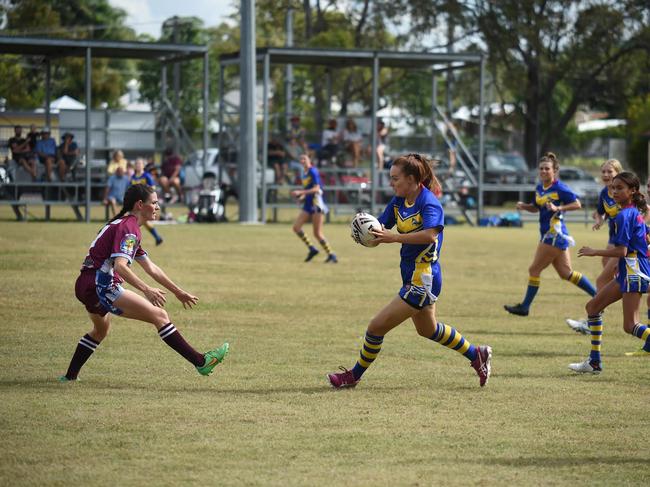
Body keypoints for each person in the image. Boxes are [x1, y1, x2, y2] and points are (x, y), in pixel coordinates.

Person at [327, 153, 491, 389]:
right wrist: (364, 230)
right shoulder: (398, 201)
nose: (391, 183)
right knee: (428, 329)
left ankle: (352, 376)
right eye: (390, 178)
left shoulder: (429, 202)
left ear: (412, 179)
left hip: (423, 279)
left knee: (376, 327)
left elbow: (430, 234)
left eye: (395, 178)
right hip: (411, 275)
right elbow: (381, 227)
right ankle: (477, 354)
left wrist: (394, 238)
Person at [59, 184, 229, 382]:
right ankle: (201, 362)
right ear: (140, 205)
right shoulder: (129, 229)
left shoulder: (124, 225)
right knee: (160, 315)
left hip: (85, 284)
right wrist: (146, 289)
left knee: (100, 330)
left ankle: (69, 377)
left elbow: (151, 267)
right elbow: (121, 266)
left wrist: (178, 292)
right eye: (154, 203)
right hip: (100, 285)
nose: (157, 207)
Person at [569, 172, 650, 374]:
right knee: (592, 307)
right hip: (628, 269)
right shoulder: (631, 212)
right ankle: (594, 362)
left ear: (632, 191)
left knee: (630, 325)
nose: (614, 191)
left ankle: (594, 362)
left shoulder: (624, 215)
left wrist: (594, 251)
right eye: (613, 187)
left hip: (633, 271)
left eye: (620, 188)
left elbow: (621, 251)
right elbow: (643, 239)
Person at [504, 152, 596, 317]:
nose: (544, 171)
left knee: (534, 269)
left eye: (547, 168)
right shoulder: (540, 188)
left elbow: (577, 204)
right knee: (566, 273)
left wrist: (558, 208)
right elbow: (536, 207)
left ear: (554, 171)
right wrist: (524, 206)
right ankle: (598, 296)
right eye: (541, 169)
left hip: (553, 235)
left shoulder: (560, 188)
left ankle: (524, 307)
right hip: (553, 235)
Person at [566, 159, 624, 334]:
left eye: (610, 172)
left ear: (618, 173)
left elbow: (643, 210)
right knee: (611, 278)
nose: (606, 175)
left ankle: (592, 322)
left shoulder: (624, 192)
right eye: (604, 172)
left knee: (602, 281)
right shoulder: (604, 193)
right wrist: (599, 220)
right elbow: (600, 212)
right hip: (612, 239)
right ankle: (596, 318)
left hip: (625, 244)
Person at [291, 154, 337, 263]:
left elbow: (316, 188)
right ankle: (312, 249)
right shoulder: (304, 174)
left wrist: (300, 192)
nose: (302, 161)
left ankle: (332, 255)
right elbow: (309, 189)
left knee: (317, 233)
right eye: (301, 159)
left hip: (317, 205)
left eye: (304, 159)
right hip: (308, 204)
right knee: (296, 227)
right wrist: (302, 197)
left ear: (309, 160)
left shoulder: (313, 171)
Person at [131, 158, 164, 246]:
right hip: (135, 203)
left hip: (144, 203)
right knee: (141, 221)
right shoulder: (133, 177)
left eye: (139, 164)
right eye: (136, 163)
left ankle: (131, 241)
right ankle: (157, 237)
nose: (138, 165)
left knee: (134, 221)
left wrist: (147, 196)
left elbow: (153, 188)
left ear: (143, 166)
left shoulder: (146, 176)